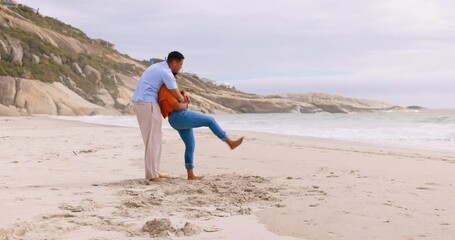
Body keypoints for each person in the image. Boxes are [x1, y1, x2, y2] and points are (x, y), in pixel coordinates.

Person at [158, 83, 244, 180]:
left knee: (190, 145)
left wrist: (184, 95)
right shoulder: (165, 88)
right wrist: (185, 104)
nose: (180, 68)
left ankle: (190, 174)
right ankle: (230, 142)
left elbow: (178, 100)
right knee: (210, 120)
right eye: (180, 66)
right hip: (179, 116)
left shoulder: (169, 87)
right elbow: (178, 106)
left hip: (175, 119)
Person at [131, 51, 188, 182]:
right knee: (153, 138)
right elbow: (175, 93)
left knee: (155, 137)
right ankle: (152, 175)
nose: (180, 68)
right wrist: (183, 101)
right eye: (180, 64)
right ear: (173, 62)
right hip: (147, 102)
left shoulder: (158, 66)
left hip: (143, 102)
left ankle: (155, 171)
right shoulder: (166, 71)